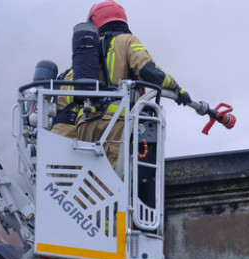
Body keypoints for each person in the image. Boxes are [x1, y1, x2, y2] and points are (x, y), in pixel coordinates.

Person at [76, 0, 193, 169]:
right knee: (111, 178)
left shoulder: (86, 50)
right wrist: (176, 88)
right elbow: (148, 71)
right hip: (114, 121)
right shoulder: (127, 41)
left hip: (85, 122)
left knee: (87, 176)